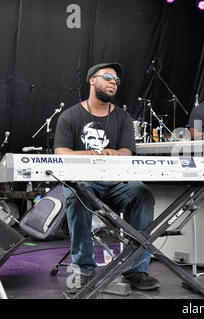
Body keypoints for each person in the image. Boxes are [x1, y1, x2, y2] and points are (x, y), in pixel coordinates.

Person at [53, 62, 159, 294]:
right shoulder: (70, 116)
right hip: (84, 181)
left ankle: (136, 270)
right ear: (92, 80)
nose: (113, 82)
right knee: (77, 194)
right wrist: (86, 154)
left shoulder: (123, 118)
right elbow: (60, 152)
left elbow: (127, 152)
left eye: (117, 80)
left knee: (143, 195)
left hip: (116, 182)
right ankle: (84, 269)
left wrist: (116, 153)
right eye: (108, 77)